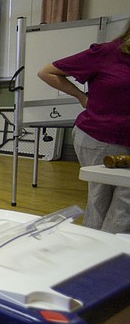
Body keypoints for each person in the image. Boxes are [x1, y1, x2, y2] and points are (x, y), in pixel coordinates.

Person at [38, 25, 130, 233]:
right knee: (100, 198)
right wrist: (81, 96)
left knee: (126, 201)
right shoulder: (107, 53)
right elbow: (47, 72)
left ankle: (112, 252)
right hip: (99, 138)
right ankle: (97, 250)